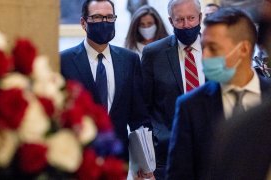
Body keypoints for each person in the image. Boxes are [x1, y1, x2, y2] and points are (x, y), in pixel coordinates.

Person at [166, 7, 271, 180]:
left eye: (213, 49)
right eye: (204, 47)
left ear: (243, 49)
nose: (205, 56)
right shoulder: (190, 106)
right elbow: (179, 174)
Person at [60, 0, 152, 176]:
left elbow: (139, 116)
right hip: (78, 158)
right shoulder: (65, 61)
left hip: (118, 159)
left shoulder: (129, 60)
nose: (104, 22)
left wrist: (144, 162)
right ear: (83, 22)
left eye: (109, 17)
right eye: (97, 17)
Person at [141, 0, 204, 179]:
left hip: (212, 151)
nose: (186, 25)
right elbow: (144, 107)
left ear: (200, 17)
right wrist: (149, 153)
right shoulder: (153, 53)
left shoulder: (216, 49)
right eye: (180, 20)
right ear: (171, 21)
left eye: (191, 18)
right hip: (167, 154)